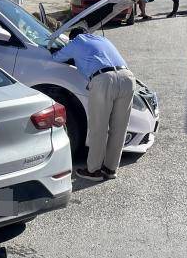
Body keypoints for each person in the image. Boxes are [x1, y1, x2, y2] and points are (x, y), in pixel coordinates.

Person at [52, 27, 136, 181]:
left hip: (103, 80)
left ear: (72, 37)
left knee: (99, 128)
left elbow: (56, 58)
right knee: (119, 128)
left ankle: (94, 170)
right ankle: (110, 169)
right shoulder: (103, 40)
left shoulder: (76, 41)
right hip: (128, 78)